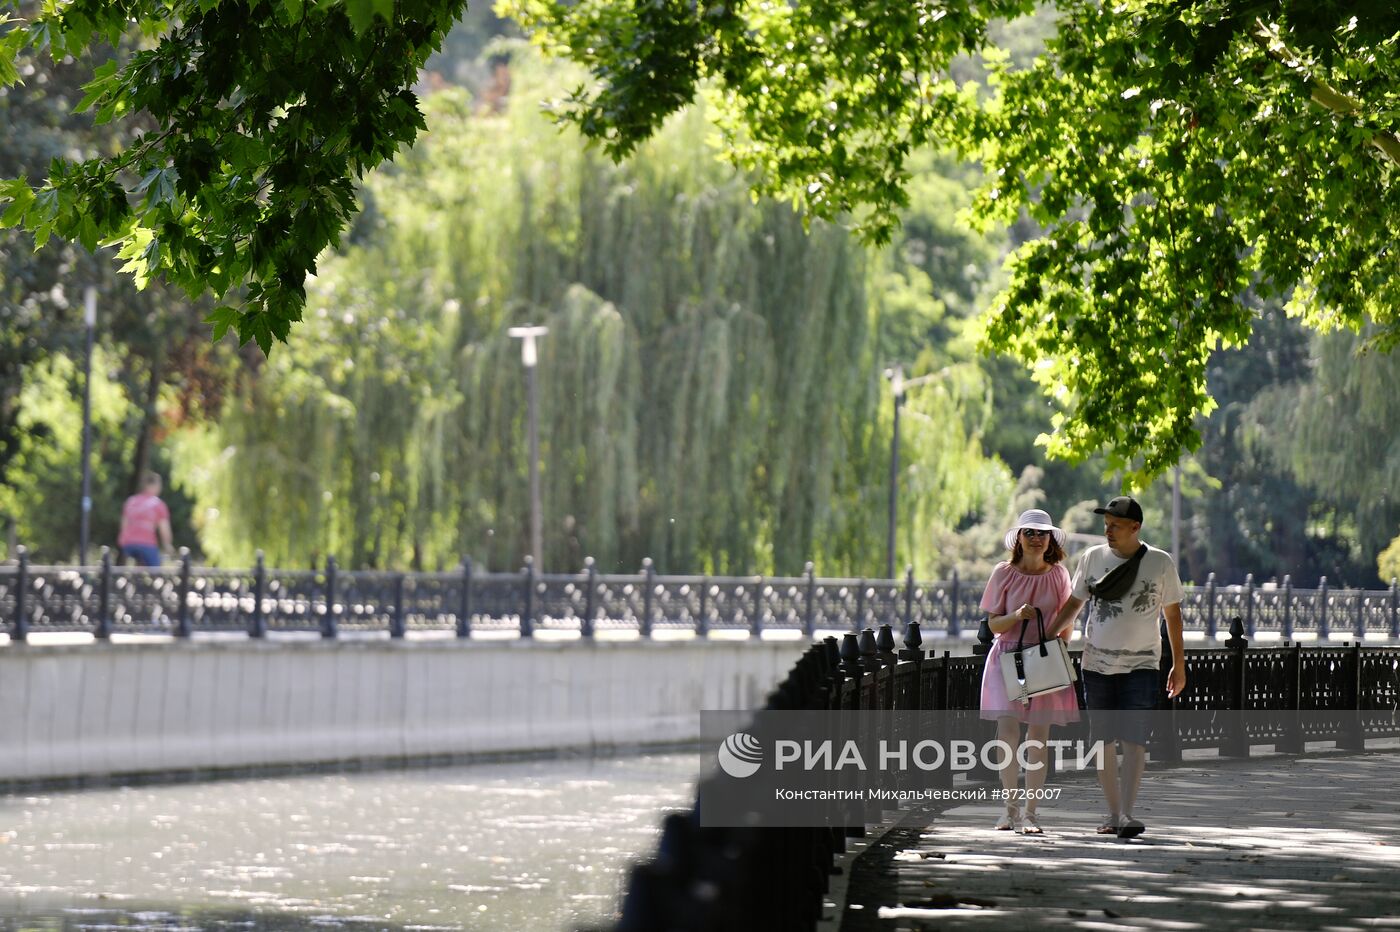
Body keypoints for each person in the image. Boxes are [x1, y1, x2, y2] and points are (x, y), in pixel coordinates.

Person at [1047, 495, 1186, 839]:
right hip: (1096, 662)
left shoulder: (1160, 562)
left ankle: (1127, 812)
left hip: (1142, 663)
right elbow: (1074, 604)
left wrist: (1179, 664)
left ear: (1135, 527)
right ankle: (1112, 812)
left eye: (1116, 525)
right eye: (1106, 525)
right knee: (1103, 739)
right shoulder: (1093, 558)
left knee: (1134, 738)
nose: (1108, 531)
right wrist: (1046, 638)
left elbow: (1173, 616)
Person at [978, 507, 1079, 835]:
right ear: (1019, 538)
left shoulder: (1059, 574)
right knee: (1008, 733)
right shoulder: (1003, 573)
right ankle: (1008, 810)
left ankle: (1031, 813)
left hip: (1043, 659)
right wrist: (1017, 616)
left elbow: (1067, 623)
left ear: (1051, 539)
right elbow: (993, 624)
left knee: (1038, 737)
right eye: (1030, 533)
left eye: (1042, 533)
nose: (1036, 538)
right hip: (1008, 657)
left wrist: (1056, 644)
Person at [118, 471, 173, 566]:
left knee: (137, 566)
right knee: (156, 571)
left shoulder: (131, 501)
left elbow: (124, 525)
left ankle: (134, 579)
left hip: (128, 544)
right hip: (146, 544)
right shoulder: (158, 504)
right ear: (154, 485)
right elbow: (164, 530)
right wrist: (167, 545)